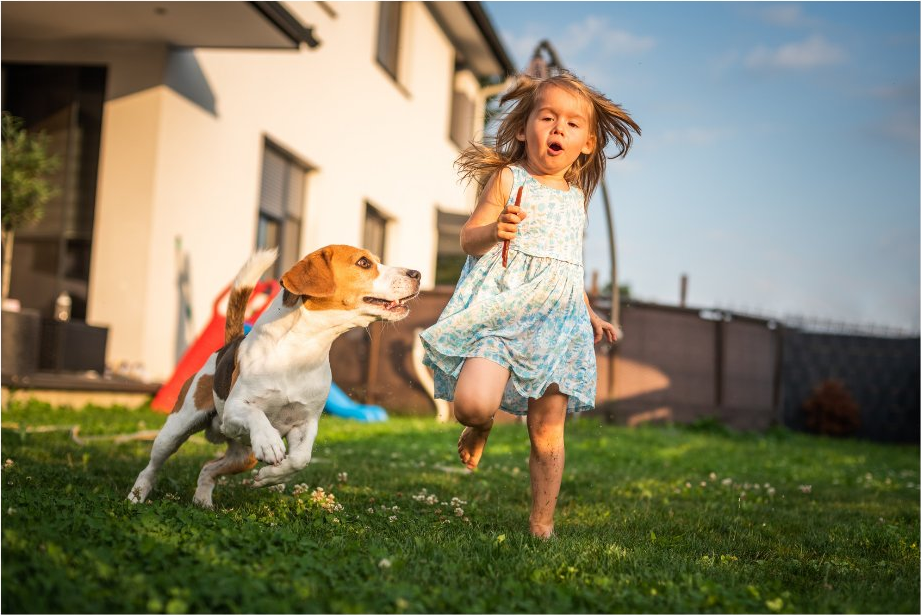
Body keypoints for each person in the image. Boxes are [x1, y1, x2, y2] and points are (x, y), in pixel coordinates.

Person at [419, 71, 641, 538]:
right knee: (473, 403)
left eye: (572, 123)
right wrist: (495, 227)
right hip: (501, 311)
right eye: (547, 117)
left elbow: (566, 267)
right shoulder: (508, 178)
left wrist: (590, 312)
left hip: (558, 322)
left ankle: (542, 523)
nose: (558, 129)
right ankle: (479, 428)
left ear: (587, 143)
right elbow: (467, 239)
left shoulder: (577, 197)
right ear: (524, 129)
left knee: (547, 431)